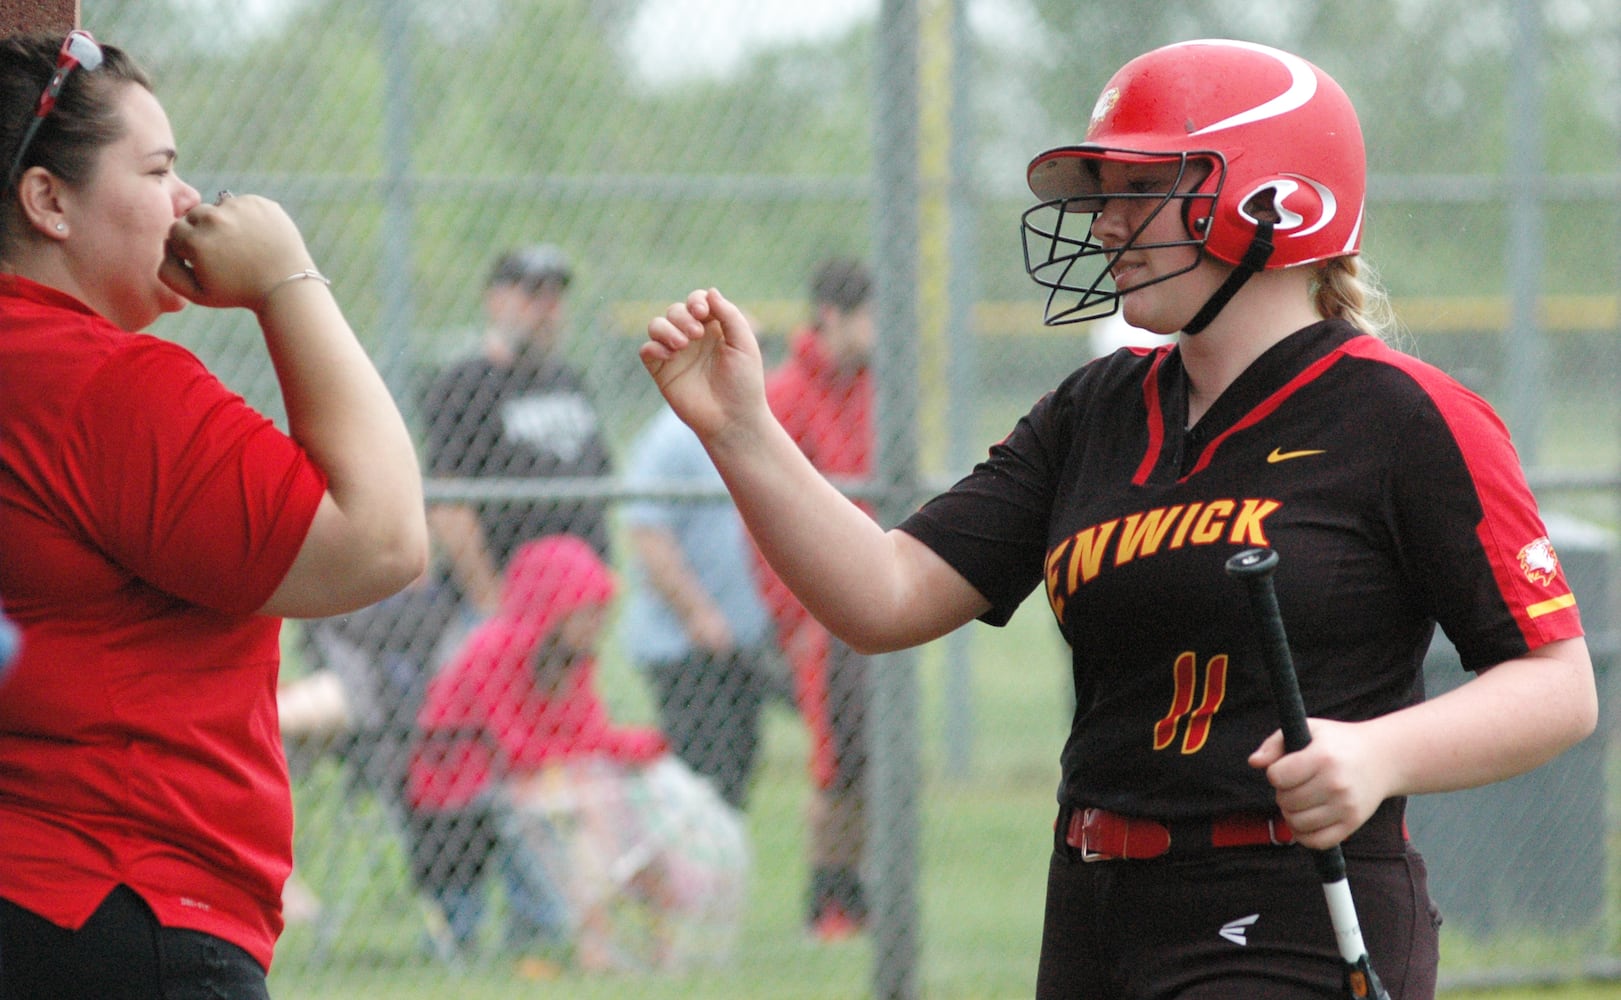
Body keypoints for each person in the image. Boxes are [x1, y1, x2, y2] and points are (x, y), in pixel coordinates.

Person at [641, 38, 1597, 999]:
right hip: (1096, 905)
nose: (1102, 227)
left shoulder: (1400, 417)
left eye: (1138, 189)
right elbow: (885, 594)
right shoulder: (1092, 409)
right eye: (1100, 194)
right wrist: (743, 432)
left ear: (1273, 201)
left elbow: (1557, 686)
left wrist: (1380, 751)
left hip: (1289, 906)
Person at [0, 29, 427, 1000]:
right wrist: (288, 284)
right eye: (157, 170)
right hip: (123, 906)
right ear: (48, 200)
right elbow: (382, 540)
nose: (187, 200)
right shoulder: (99, 383)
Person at [405, 535, 745, 970]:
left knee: (616, 792)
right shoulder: (492, 649)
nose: (597, 623)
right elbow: (517, 749)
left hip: (539, 784)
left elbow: (586, 732)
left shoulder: (572, 659)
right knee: (584, 797)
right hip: (463, 782)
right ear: (551, 608)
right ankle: (595, 938)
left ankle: (642, 924)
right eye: (587, 611)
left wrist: (636, 747)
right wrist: (598, 749)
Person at [755, 257, 878, 940]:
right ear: (830, 316)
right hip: (817, 614)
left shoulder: (867, 388)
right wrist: (794, 614)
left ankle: (848, 893)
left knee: (868, 760)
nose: (878, 331)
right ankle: (824, 900)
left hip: (871, 598)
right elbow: (764, 517)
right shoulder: (787, 393)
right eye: (867, 315)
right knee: (835, 762)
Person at [422, 244, 614, 619]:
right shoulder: (465, 383)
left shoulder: (569, 380)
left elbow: (600, 484)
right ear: (496, 301)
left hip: (576, 604)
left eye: (555, 297)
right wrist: (490, 601)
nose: (546, 310)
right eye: (533, 295)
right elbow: (449, 504)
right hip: (501, 600)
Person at [620, 403, 780, 810]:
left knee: (736, 773)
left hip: (742, 640)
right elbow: (647, 532)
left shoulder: (746, 425)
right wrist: (697, 614)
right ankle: (691, 873)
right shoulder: (675, 435)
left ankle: (718, 870)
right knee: (701, 782)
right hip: (688, 647)